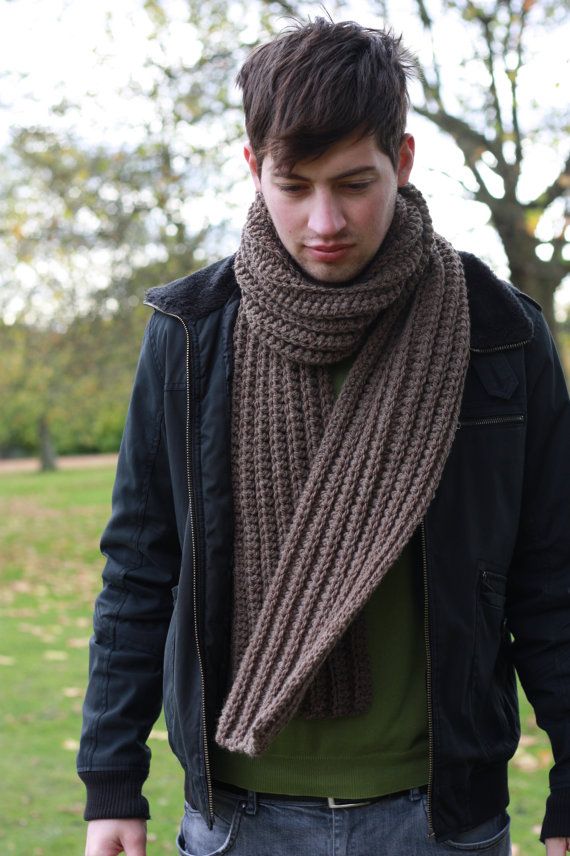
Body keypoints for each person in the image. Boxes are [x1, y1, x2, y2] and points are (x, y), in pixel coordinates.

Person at [78, 18, 570, 856]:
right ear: (252, 169)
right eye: (294, 185)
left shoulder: (499, 335)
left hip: (438, 813)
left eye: (354, 182)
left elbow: (550, 576)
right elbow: (141, 565)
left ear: (404, 160)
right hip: (240, 816)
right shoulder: (191, 334)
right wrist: (112, 781)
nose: (324, 220)